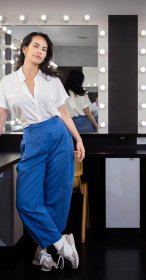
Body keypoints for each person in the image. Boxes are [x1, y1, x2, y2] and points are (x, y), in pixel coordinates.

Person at [0, 32, 85, 272]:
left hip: (59, 135)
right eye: (36, 46)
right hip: (33, 137)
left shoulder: (52, 81)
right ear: (24, 48)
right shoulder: (7, 82)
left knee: (56, 196)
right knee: (26, 201)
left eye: (45, 49)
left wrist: (78, 139)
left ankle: (43, 251)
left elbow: (64, 113)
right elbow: (1, 118)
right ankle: (61, 243)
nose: (40, 51)